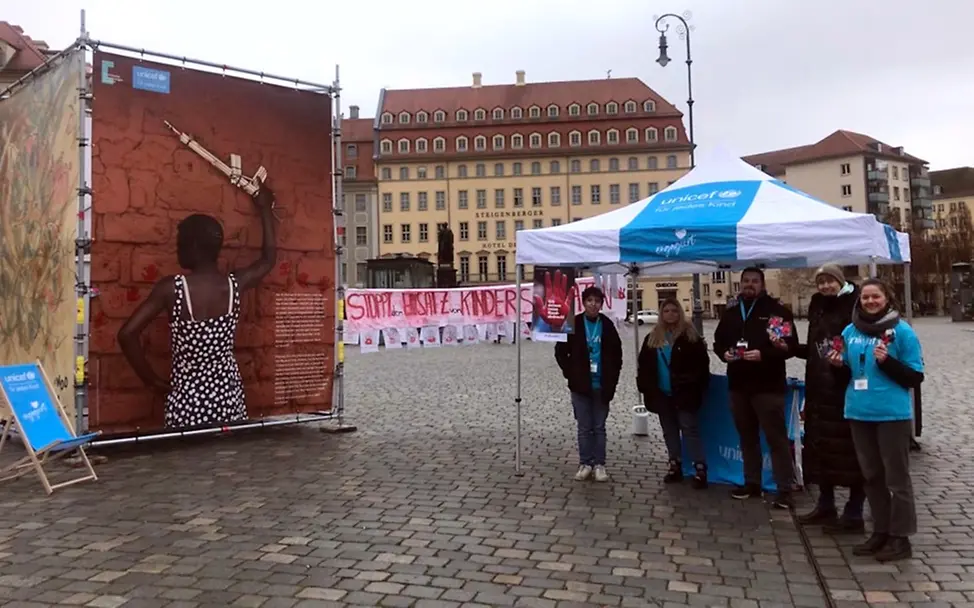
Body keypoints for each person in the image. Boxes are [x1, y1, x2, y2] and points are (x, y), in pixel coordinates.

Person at [118, 183, 278, 428]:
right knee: (227, 461)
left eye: (180, 243)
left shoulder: (171, 289)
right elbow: (268, 259)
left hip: (187, 403)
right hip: (228, 397)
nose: (176, 249)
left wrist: (153, 381)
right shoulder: (235, 285)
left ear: (193, 247)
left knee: (187, 463)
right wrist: (265, 209)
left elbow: (127, 334)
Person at [827, 278, 923, 562]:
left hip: (891, 415)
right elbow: (845, 375)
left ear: (887, 299)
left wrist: (887, 363)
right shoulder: (849, 331)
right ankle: (880, 531)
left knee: (897, 479)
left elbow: (915, 377)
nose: (870, 302)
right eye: (866, 297)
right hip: (859, 412)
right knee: (871, 477)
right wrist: (835, 366)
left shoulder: (902, 332)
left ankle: (901, 537)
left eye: (875, 297)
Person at [785, 264, 866, 533]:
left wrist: (844, 365)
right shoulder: (818, 307)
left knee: (851, 452)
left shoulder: (855, 306)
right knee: (822, 449)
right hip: (819, 388)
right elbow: (815, 349)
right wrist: (787, 348)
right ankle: (826, 504)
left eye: (830, 281)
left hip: (845, 388)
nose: (825, 287)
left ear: (840, 281)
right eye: (821, 282)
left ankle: (854, 512)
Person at [713, 267, 799, 508]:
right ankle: (752, 483)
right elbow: (718, 342)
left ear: (762, 284)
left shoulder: (777, 312)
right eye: (745, 281)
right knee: (746, 438)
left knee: (776, 439)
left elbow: (790, 346)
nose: (749, 285)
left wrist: (764, 354)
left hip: (767, 386)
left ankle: (785, 489)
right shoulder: (731, 313)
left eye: (754, 281)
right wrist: (724, 354)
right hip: (738, 385)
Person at [636, 298, 711, 488]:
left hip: (684, 392)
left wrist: (694, 384)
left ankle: (699, 467)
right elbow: (644, 365)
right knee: (669, 431)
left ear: (679, 313)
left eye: (674, 310)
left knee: (689, 429)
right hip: (662, 393)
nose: (670, 314)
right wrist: (646, 387)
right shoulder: (653, 338)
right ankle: (674, 463)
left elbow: (702, 366)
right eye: (666, 311)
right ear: (661, 314)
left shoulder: (690, 337)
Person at [555, 286, 623, 482]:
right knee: (584, 427)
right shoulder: (573, 322)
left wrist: (612, 379)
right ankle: (586, 463)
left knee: (599, 427)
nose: (593, 304)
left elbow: (617, 355)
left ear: (602, 304)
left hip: (601, 385)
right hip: (580, 385)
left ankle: (600, 464)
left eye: (597, 301)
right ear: (584, 303)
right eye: (590, 300)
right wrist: (570, 373)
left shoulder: (608, 325)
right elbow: (560, 350)